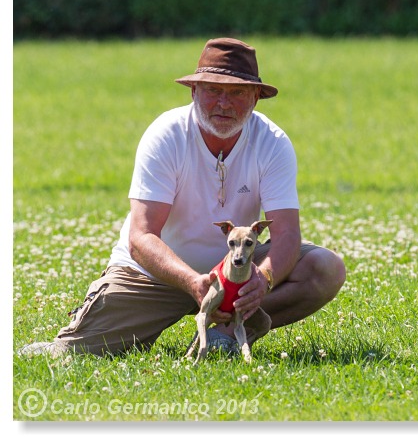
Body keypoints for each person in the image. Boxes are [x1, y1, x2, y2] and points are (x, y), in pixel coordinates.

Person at [20, 38, 346, 357]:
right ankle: (91, 331)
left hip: (237, 271)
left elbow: (287, 233)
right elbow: (141, 235)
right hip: (154, 275)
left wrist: (263, 278)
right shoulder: (166, 135)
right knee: (70, 353)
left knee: (325, 268)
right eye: (213, 90)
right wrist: (194, 282)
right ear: (194, 92)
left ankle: (224, 334)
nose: (224, 103)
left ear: (256, 98)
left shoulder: (273, 142)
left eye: (237, 93)